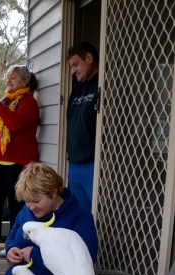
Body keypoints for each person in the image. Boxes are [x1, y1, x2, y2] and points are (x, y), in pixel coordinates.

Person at [0, 65, 40, 247]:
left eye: (14, 77)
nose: (9, 80)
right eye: (8, 78)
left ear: (25, 81)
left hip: (18, 162)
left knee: (16, 205)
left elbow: (16, 123)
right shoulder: (4, 101)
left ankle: (15, 244)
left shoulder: (28, 102)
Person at [66, 41, 100, 213]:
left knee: (99, 213)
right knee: (80, 215)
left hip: (94, 164)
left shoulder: (104, 85)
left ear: (89, 58)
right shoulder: (77, 90)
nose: (73, 71)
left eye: (75, 64)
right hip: (74, 165)